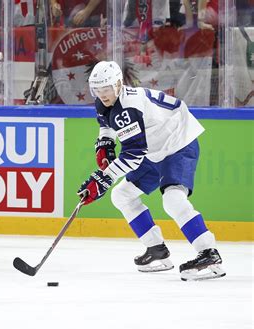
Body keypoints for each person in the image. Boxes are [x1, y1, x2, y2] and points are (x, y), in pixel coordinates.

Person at [77, 60, 225, 281]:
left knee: (173, 200)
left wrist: (103, 179)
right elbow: (106, 124)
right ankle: (157, 251)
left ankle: (209, 253)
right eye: (97, 90)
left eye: (106, 89)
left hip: (178, 143)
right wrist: (105, 143)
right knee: (122, 195)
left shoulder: (130, 107)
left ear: (118, 84)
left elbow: (133, 154)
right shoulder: (106, 102)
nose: (102, 94)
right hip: (154, 149)